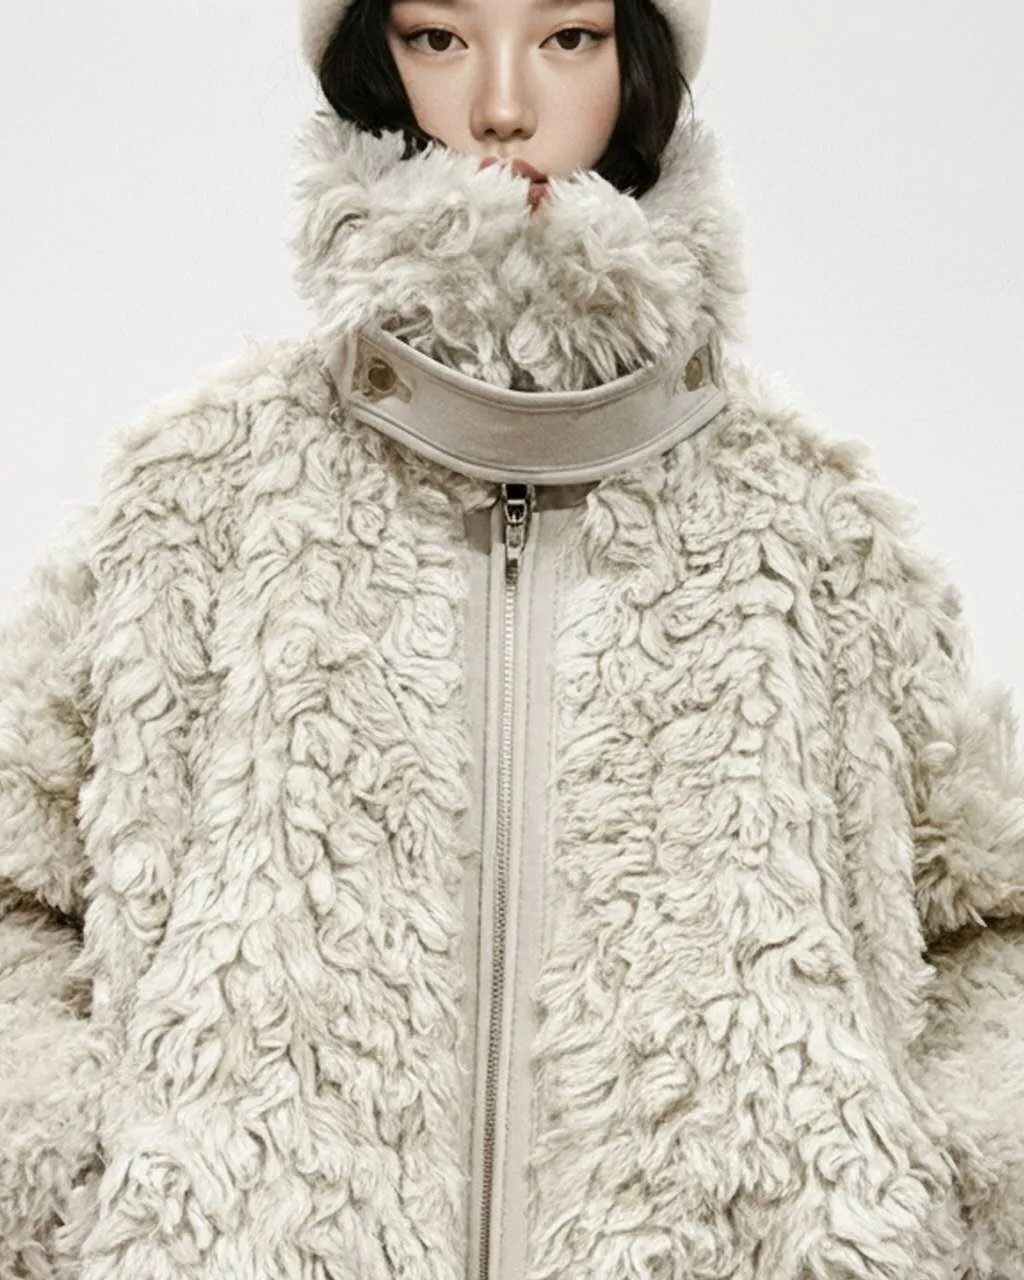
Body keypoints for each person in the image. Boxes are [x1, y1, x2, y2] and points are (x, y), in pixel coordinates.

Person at [1, 0, 1022, 1275]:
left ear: (638, 66)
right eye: (438, 37)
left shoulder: (808, 523)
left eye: (565, 37)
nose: (499, 105)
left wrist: (948, 1191)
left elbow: (987, 920)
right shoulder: (202, 492)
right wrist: (67, 1170)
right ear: (375, 68)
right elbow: (21, 888)